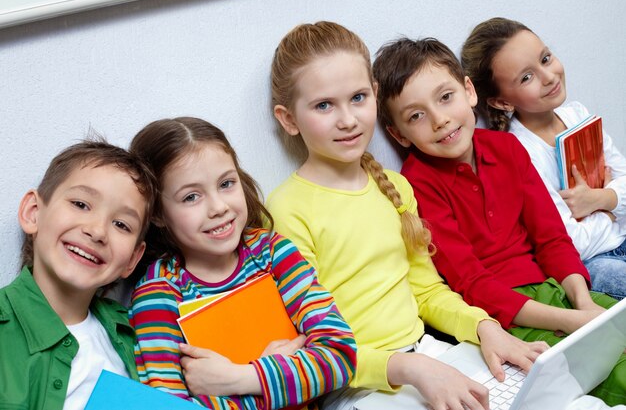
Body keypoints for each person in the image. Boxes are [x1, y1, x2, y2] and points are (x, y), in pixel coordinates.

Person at [267, 21, 547, 410]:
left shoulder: (396, 187)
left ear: (375, 95)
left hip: (431, 353)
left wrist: (485, 328)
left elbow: (427, 291)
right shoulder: (286, 211)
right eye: (323, 105)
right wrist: (412, 369)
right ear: (288, 119)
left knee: (551, 394)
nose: (347, 119)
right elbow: (315, 346)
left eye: (358, 97)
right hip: (358, 384)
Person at [373, 36, 626, 405]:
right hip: (505, 315)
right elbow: (471, 282)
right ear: (399, 135)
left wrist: (583, 303)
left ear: (469, 91)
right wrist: (568, 321)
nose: (440, 119)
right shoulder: (418, 184)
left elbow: (552, 239)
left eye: (446, 97)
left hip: (556, 286)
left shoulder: (508, 148)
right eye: (416, 116)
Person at [128, 117, 356, 409]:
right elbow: (171, 407)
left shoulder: (273, 253)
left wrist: (241, 378)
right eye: (191, 197)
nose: (219, 207)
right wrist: (284, 380)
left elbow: (341, 356)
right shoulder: (158, 295)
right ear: (158, 213)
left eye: (226, 183)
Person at [460, 17, 626, 300]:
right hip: (593, 264)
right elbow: (573, 243)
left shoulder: (577, 114)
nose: (548, 77)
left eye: (546, 59)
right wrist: (616, 211)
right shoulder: (518, 151)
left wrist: (601, 201)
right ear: (502, 102)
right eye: (527, 77)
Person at [0, 139, 156, 410]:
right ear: (33, 213)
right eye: (81, 204)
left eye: (121, 224)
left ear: (132, 258)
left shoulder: (141, 331)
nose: (97, 231)